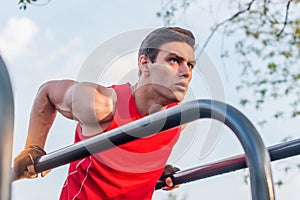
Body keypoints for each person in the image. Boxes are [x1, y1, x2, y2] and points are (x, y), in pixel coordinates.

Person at [14, 26, 196, 200]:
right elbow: (47, 92)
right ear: (145, 63)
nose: (186, 72)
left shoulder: (177, 121)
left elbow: (131, 153)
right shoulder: (99, 105)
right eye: (174, 60)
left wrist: (154, 169)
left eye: (190, 65)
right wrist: (34, 147)